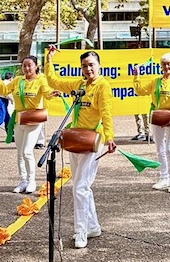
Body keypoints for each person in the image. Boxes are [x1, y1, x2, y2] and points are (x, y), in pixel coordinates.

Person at [45, 46, 117, 249]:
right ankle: (93, 226)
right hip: (76, 140)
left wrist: (110, 137)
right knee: (81, 186)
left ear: (99, 66)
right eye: (84, 66)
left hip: (92, 141)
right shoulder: (79, 85)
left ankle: (80, 232)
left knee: (80, 188)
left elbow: (106, 113)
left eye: (91, 65)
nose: (88, 69)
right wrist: (48, 60)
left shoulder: (103, 86)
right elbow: (54, 81)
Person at [0, 57, 55, 194]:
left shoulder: (40, 80)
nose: (27, 68)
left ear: (36, 66)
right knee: (20, 153)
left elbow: (47, 92)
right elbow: (4, 91)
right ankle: (23, 181)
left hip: (33, 120)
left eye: (29, 65)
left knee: (27, 151)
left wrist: (53, 94)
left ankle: (32, 180)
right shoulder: (18, 80)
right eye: (24, 66)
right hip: (19, 119)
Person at [133, 53, 170, 193]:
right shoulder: (156, 81)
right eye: (164, 64)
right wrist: (136, 77)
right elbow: (140, 91)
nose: (166, 66)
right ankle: (163, 177)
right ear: (160, 66)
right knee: (160, 149)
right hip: (156, 117)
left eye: (169, 64)